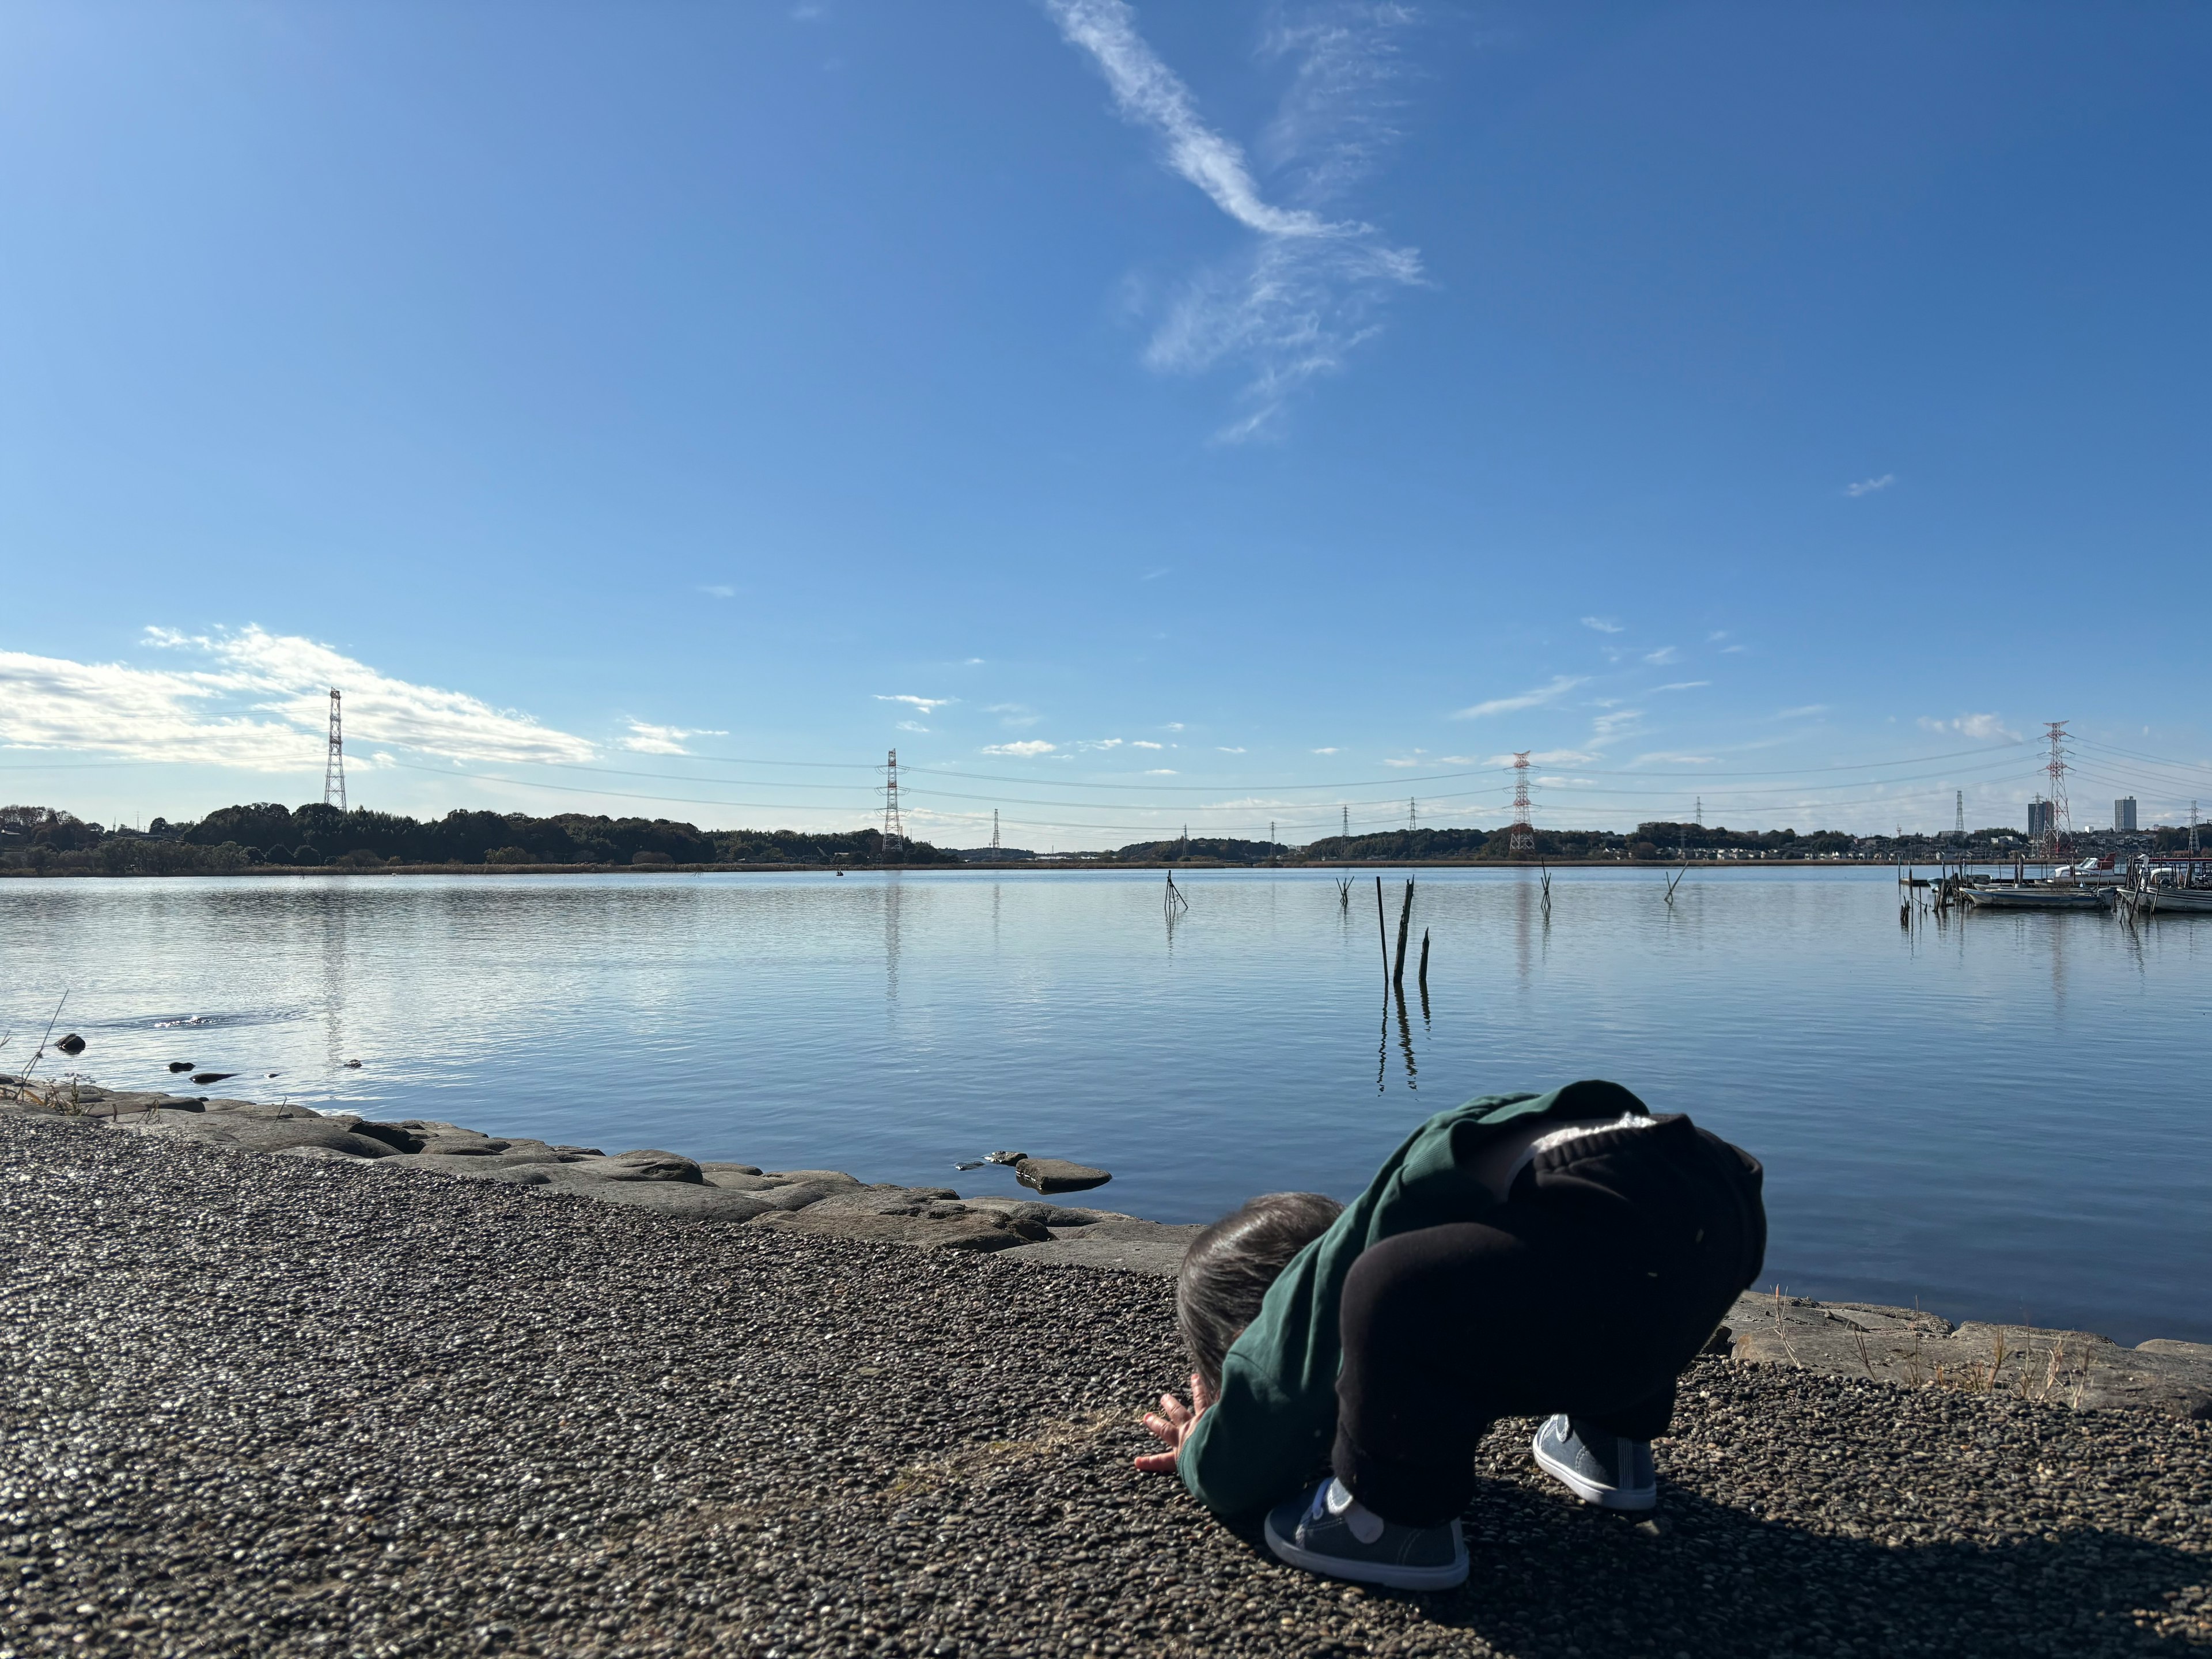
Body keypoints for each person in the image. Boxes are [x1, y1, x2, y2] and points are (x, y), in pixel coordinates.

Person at [1135, 1079, 1766, 1591]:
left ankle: (1394, 1524)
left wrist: (1201, 1442)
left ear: (1256, 1323)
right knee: (1566, 1279)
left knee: (1387, 1286)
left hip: (1614, 1222)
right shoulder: (1430, 1210)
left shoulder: (1319, 1280)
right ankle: (1611, 1446)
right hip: (1719, 1208)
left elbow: (1240, 1462)